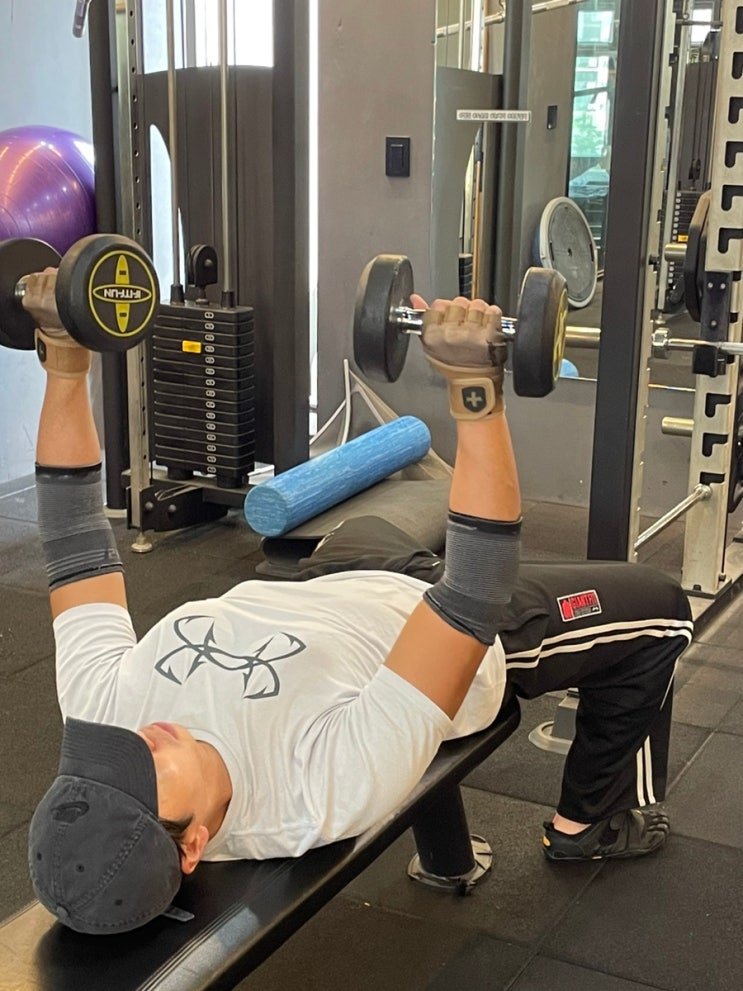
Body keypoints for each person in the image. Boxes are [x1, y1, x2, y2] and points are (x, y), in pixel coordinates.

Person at [22, 271, 693, 937]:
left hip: (330, 576)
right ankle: (592, 820)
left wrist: (64, 351)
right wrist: (474, 386)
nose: (135, 741)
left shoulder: (100, 716)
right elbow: (472, 590)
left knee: (373, 516)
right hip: (448, 627)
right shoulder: (316, 787)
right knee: (662, 608)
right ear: (193, 844)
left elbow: (76, 539)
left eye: (103, 760)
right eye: (141, 772)